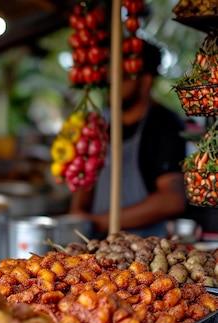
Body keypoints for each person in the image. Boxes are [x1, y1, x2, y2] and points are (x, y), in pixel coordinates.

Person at [69, 39, 187, 238]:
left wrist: (100, 222)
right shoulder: (103, 124)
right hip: (96, 247)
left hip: (141, 253)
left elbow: (172, 199)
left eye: (122, 77)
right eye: (111, 77)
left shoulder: (165, 125)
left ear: (146, 80)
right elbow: (88, 179)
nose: (113, 84)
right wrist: (78, 212)